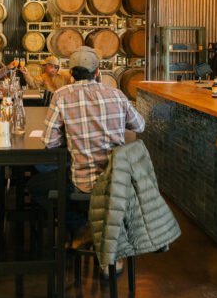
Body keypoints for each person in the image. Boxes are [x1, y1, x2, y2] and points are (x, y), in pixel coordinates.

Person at [28, 46, 146, 249]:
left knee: (35, 186)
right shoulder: (116, 94)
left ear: (71, 72)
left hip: (82, 181)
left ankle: (81, 225)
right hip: (117, 180)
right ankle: (105, 232)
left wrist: (70, 137)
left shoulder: (62, 95)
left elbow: (50, 142)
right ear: (98, 72)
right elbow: (140, 126)